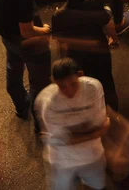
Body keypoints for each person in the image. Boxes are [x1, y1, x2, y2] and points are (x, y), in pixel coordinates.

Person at [35, 58, 109, 190]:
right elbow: (63, 139)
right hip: (62, 162)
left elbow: (97, 124)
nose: (69, 91)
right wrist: (95, 132)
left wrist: (72, 133)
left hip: (92, 156)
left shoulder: (93, 87)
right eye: (62, 86)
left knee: (95, 186)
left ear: (80, 75)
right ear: (53, 81)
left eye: (73, 84)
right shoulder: (47, 101)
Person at [52, 0, 119, 111]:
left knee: (81, 84)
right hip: (101, 51)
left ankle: (88, 111)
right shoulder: (95, 2)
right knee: (105, 79)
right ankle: (111, 109)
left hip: (76, 55)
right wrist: (114, 38)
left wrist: (63, 58)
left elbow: (60, 40)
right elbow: (108, 25)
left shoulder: (60, 15)